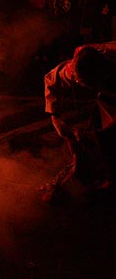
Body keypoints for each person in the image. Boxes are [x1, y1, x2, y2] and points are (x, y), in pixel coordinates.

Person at [42, 41, 116, 202]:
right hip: (107, 90)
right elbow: (50, 81)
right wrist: (55, 117)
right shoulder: (69, 72)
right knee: (99, 133)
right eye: (87, 84)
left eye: (96, 84)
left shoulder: (111, 64)